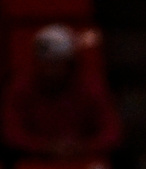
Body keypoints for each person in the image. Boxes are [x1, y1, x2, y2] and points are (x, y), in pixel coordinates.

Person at [1, 24, 121, 157]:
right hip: (32, 158)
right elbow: (11, 132)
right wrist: (44, 147)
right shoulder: (20, 87)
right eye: (45, 62)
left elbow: (111, 132)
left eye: (57, 63)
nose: (50, 70)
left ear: (71, 63)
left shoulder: (91, 88)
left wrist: (83, 147)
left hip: (84, 158)